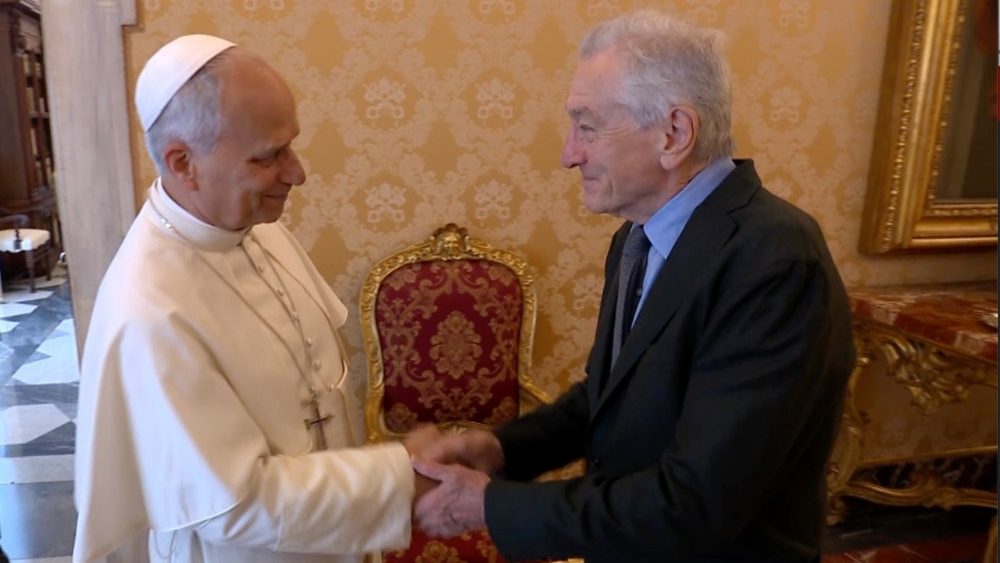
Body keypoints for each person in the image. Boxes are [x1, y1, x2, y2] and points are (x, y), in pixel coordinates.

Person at [410, 10, 855, 563]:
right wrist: (502, 449)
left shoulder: (775, 262)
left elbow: (696, 504)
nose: (569, 154)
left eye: (588, 127)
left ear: (674, 134)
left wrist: (491, 506)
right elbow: (613, 396)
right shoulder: (638, 237)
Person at [73, 34, 437, 563]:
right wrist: (400, 477)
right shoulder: (149, 311)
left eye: (290, 145)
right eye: (269, 156)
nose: (297, 173)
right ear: (183, 162)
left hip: (334, 537)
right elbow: (234, 505)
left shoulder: (256, 228)